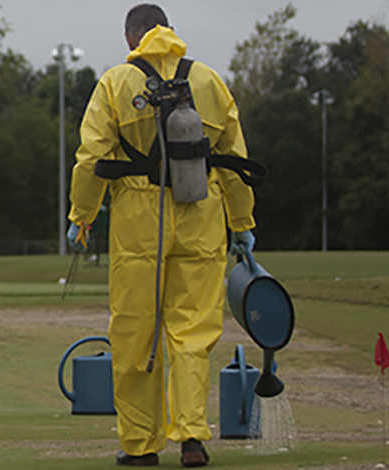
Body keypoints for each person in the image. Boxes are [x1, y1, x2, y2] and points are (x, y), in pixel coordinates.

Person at [65, 4, 259, 467]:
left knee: (136, 332)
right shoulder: (209, 81)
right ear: (170, 32)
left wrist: (82, 214)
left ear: (131, 39)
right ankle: (191, 436)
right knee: (192, 332)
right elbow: (234, 158)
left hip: (138, 218)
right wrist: (242, 224)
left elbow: (92, 156)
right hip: (202, 213)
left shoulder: (116, 82)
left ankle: (140, 445)